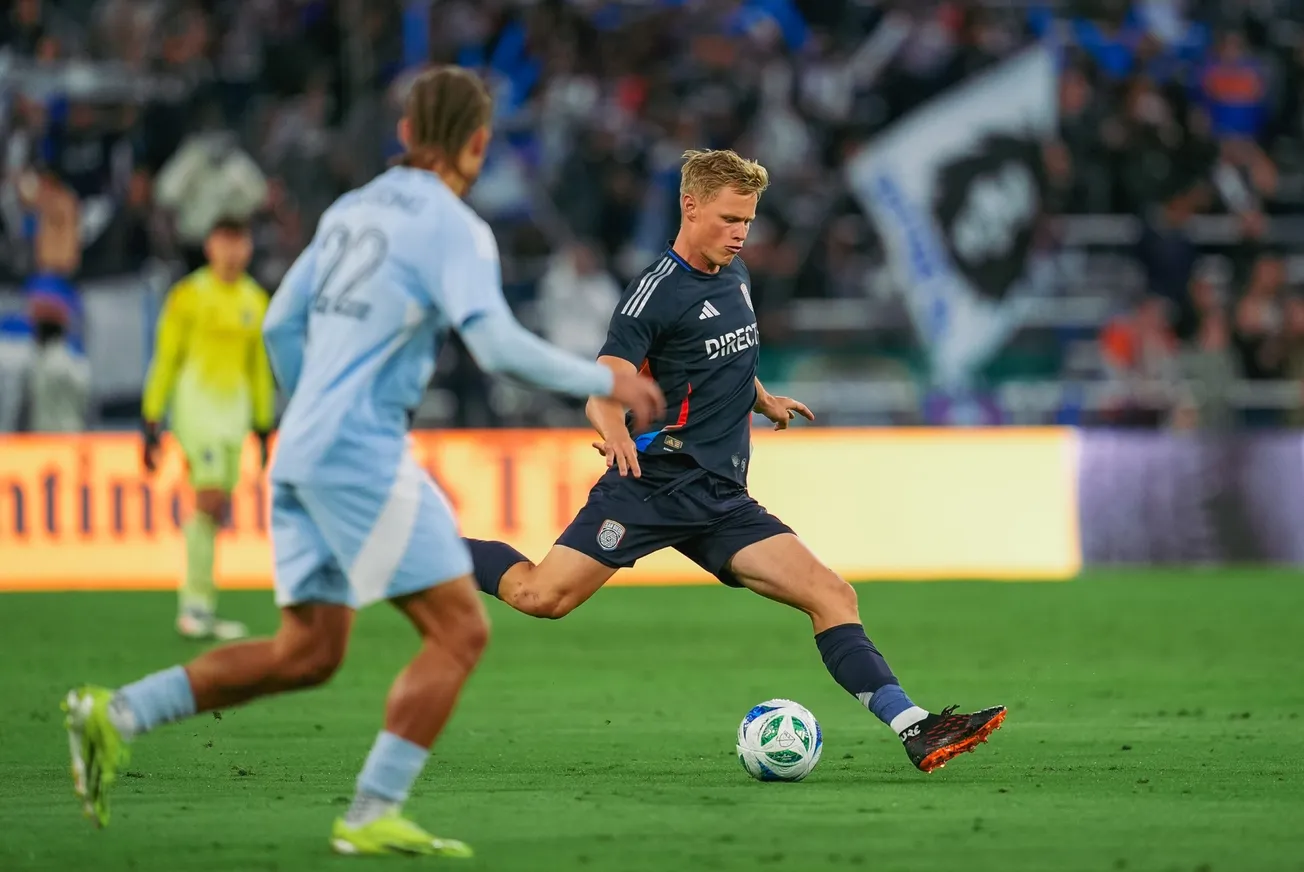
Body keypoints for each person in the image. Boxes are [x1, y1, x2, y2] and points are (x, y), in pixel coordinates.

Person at [62, 66, 664, 856]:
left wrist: (314, 403)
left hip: (302, 446)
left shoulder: (351, 210)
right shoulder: (453, 226)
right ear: (478, 145)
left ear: (408, 134)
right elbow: (493, 345)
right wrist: (604, 378)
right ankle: (372, 810)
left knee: (306, 652)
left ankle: (117, 714)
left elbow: (280, 324)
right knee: (460, 634)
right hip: (359, 450)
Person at [464, 148, 1006, 774]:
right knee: (540, 596)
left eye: (747, 221)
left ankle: (916, 728)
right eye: (727, 219)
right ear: (689, 207)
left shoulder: (735, 275)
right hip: (653, 484)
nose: (740, 234)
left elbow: (723, 356)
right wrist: (612, 427)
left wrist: (762, 397)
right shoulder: (653, 293)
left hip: (721, 498)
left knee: (833, 595)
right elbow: (604, 381)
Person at [141, 218, 275, 641]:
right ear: (209, 245)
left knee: (215, 508)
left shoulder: (255, 300)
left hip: (234, 419)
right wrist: (151, 415)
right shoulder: (188, 296)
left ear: (248, 248)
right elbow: (166, 358)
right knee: (211, 497)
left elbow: (259, 370)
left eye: (240, 242)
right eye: (225, 242)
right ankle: (194, 605)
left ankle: (202, 606)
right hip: (196, 412)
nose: (232, 251)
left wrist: (263, 423)